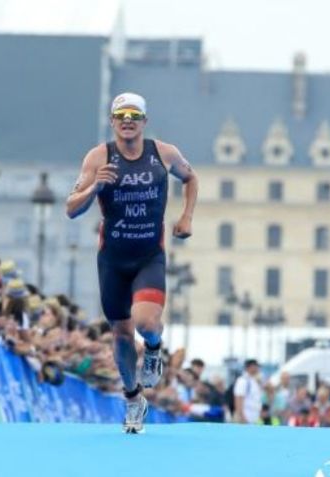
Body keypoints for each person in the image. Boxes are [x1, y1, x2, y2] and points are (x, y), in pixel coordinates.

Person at [65, 92, 199, 433]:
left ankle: (154, 348)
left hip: (148, 256)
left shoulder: (163, 153)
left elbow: (191, 178)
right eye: (121, 115)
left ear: (144, 122)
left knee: (145, 322)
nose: (127, 121)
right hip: (112, 259)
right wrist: (96, 186)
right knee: (122, 335)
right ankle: (132, 397)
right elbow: (71, 208)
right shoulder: (98, 157)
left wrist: (186, 218)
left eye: (134, 116)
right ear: (112, 122)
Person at [233, 359, 263, 424]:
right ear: (251, 367)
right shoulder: (243, 380)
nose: (258, 369)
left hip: (254, 417)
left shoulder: (254, 381)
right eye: (256, 366)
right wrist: (242, 417)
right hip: (246, 416)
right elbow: (238, 399)